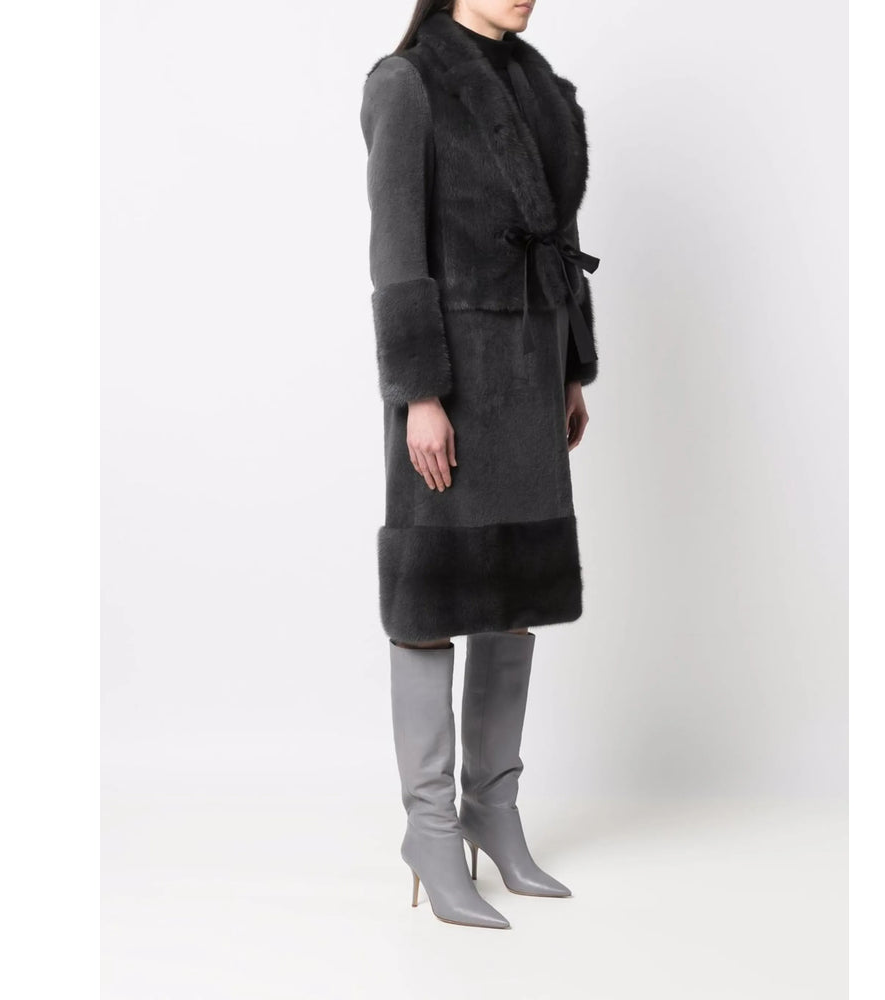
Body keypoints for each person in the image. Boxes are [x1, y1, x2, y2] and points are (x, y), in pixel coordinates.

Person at [360, 0, 601, 928]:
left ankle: (493, 813)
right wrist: (419, 393)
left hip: (531, 376)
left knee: (515, 595)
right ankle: (430, 829)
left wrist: (571, 369)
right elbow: (395, 254)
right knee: (432, 601)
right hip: (451, 380)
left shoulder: (544, 90)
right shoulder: (408, 83)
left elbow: (559, 245)